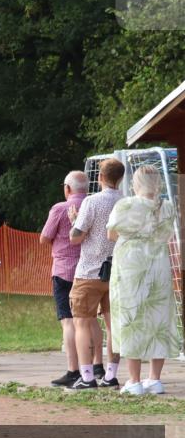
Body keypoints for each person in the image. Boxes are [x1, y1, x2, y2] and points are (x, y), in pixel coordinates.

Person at [107, 166, 180, 395]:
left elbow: (111, 233)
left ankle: (134, 380)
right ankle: (155, 379)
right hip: (159, 263)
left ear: (135, 183)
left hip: (131, 264)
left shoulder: (126, 204)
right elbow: (167, 235)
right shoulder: (167, 206)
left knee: (131, 317)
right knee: (159, 318)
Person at [67, 157, 124, 390]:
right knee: (113, 326)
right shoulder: (126, 202)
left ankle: (87, 376)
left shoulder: (92, 202)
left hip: (89, 271)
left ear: (100, 177)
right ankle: (111, 375)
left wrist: (74, 221)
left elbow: (76, 237)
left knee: (81, 324)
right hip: (117, 271)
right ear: (121, 178)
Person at [41, 170, 95, 387]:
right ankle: (96, 366)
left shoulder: (60, 208)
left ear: (67, 188)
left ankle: (73, 369)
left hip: (64, 269)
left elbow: (45, 237)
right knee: (90, 321)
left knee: (69, 321)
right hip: (90, 270)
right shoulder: (93, 205)